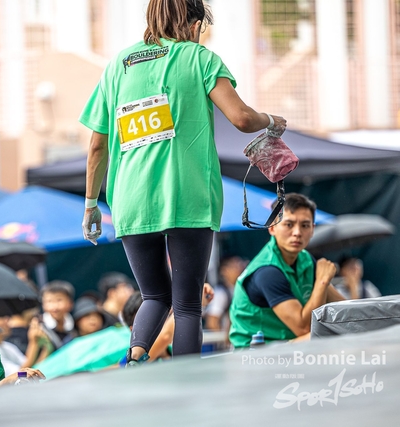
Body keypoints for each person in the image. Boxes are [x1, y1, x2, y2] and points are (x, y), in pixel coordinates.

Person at [80, 0, 286, 364]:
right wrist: (271, 121)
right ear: (193, 23)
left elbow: (97, 145)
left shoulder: (118, 66)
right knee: (188, 305)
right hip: (187, 197)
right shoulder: (200, 59)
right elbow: (241, 118)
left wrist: (90, 205)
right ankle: (189, 383)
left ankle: (135, 356)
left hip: (131, 200)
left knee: (154, 296)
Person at [229, 194, 345, 348]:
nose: (297, 232)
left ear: (312, 229)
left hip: (288, 347)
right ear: (272, 228)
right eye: (289, 224)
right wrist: (322, 281)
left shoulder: (305, 259)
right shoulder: (267, 272)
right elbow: (305, 329)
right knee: (326, 336)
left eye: (305, 225)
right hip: (255, 354)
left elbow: (344, 311)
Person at [204, 256, 247, 331]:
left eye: (241, 265)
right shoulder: (220, 293)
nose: (239, 269)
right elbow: (211, 323)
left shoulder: (241, 290)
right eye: (235, 266)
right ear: (224, 271)